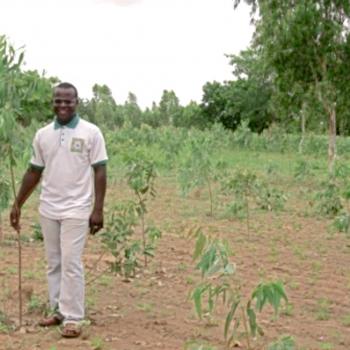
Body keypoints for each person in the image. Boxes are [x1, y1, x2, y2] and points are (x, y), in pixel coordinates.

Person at [10, 82, 107, 338]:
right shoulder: (43, 134)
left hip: (77, 208)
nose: (63, 105)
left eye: (68, 101)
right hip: (49, 207)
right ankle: (58, 310)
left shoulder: (91, 132)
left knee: (71, 261)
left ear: (77, 102)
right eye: (58, 101)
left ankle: (74, 317)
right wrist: (17, 203)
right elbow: (34, 171)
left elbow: (100, 170)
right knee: (54, 262)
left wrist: (98, 209)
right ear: (52, 102)